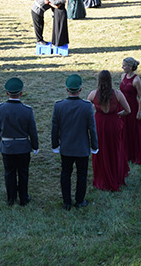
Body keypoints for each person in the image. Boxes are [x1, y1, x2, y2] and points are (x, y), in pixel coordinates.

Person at [51, 74, 99, 210]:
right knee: (82, 174)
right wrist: (94, 146)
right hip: (82, 147)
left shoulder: (59, 106)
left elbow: (55, 128)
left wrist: (55, 145)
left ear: (67, 89)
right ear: (80, 89)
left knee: (65, 173)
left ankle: (67, 202)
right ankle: (79, 200)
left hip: (66, 147)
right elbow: (92, 128)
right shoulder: (87, 106)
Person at [0, 77, 39, 206]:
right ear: (21, 93)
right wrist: (35, 146)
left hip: (7, 147)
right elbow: (32, 131)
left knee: (9, 173)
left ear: (7, 93)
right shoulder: (27, 110)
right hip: (23, 147)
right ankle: (23, 198)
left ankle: (11, 198)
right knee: (23, 173)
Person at [87, 71, 130, 191]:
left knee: (100, 150)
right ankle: (114, 175)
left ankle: (101, 177)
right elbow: (128, 110)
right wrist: (119, 114)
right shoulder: (117, 94)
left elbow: (87, 110)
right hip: (113, 124)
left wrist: (96, 108)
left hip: (99, 124)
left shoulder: (93, 94)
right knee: (114, 149)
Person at [120, 57, 141, 165]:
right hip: (123, 106)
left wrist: (139, 112)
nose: (122, 67)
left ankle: (134, 153)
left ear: (130, 67)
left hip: (132, 108)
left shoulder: (136, 80)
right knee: (123, 129)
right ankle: (125, 152)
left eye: (124, 65)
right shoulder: (123, 76)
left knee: (132, 130)